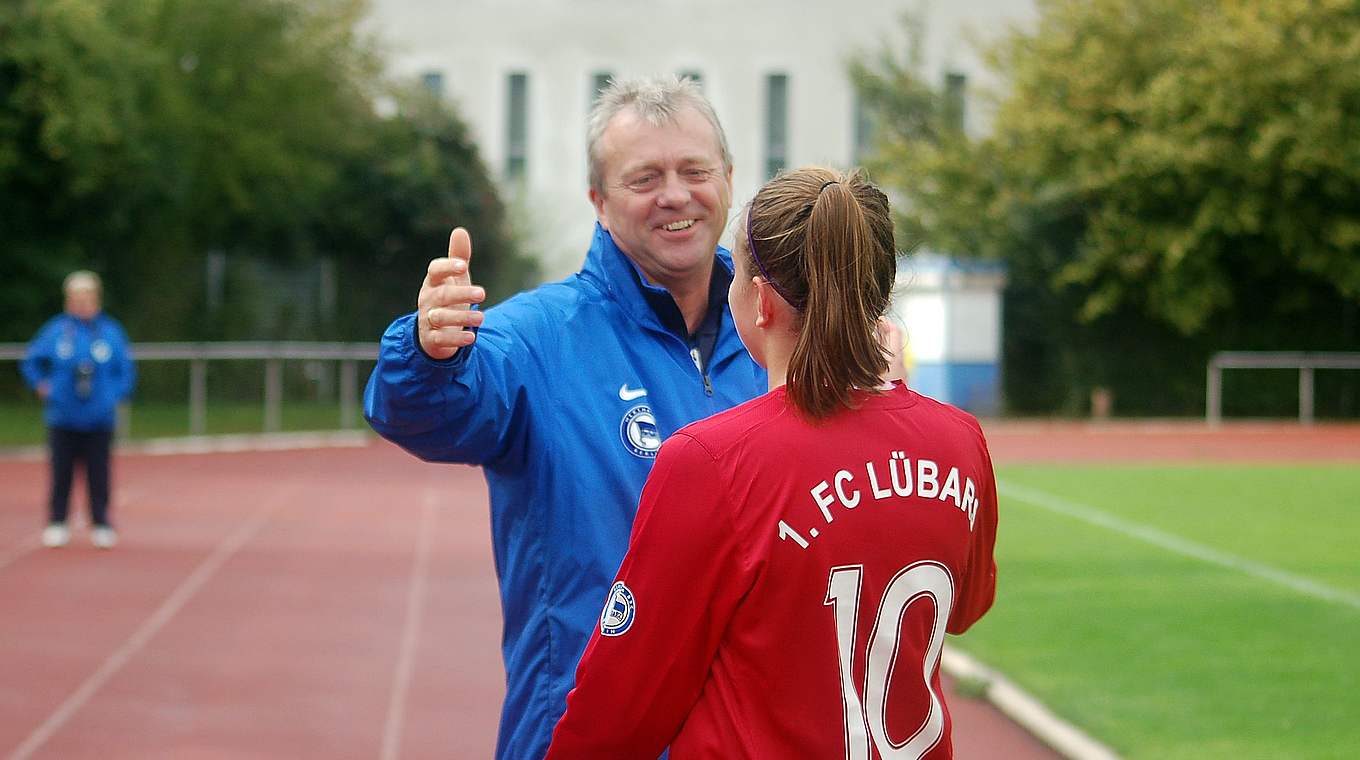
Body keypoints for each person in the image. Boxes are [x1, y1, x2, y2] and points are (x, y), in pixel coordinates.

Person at [363, 75, 767, 758]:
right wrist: (430, 354)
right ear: (599, 203)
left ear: (728, 179)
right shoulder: (537, 340)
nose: (675, 194)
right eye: (644, 177)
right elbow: (431, 411)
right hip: (584, 740)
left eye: (694, 170)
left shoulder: (777, 338)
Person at [547, 167, 999, 759]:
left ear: (760, 301)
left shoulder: (712, 460)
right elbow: (967, 607)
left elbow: (619, 706)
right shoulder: (960, 439)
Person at [21, 270, 136, 550]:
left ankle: (101, 523)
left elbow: (126, 371)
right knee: (61, 472)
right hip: (63, 416)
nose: (82, 302)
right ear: (68, 300)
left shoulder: (110, 331)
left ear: (96, 298)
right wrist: (41, 386)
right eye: (77, 297)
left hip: (99, 418)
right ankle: (57, 522)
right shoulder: (56, 330)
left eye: (87, 296)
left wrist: (113, 396)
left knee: (99, 473)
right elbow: (31, 362)